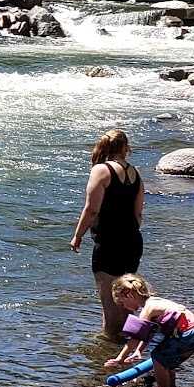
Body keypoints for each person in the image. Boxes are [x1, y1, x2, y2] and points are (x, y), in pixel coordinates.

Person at [69, 129, 144, 336]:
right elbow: (138, 215)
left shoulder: (101, 171)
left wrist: (78, 235)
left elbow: (91, 209)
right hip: (132, 243)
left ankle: (108, 357)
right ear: (126, 149)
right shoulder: (136, 174)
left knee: (110, 308)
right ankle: (127, 346)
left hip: (109, 243)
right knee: (126, 303)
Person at [105, 274, 194, 387]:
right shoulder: (155, 301)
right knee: (166, 360)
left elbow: (135, 338)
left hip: (187, 334)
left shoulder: (148, 309)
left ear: (130, 296)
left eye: (122, 303)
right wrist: (139, 351)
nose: (123, 307)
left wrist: (120, 358)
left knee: (158, 358)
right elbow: (149, 333)